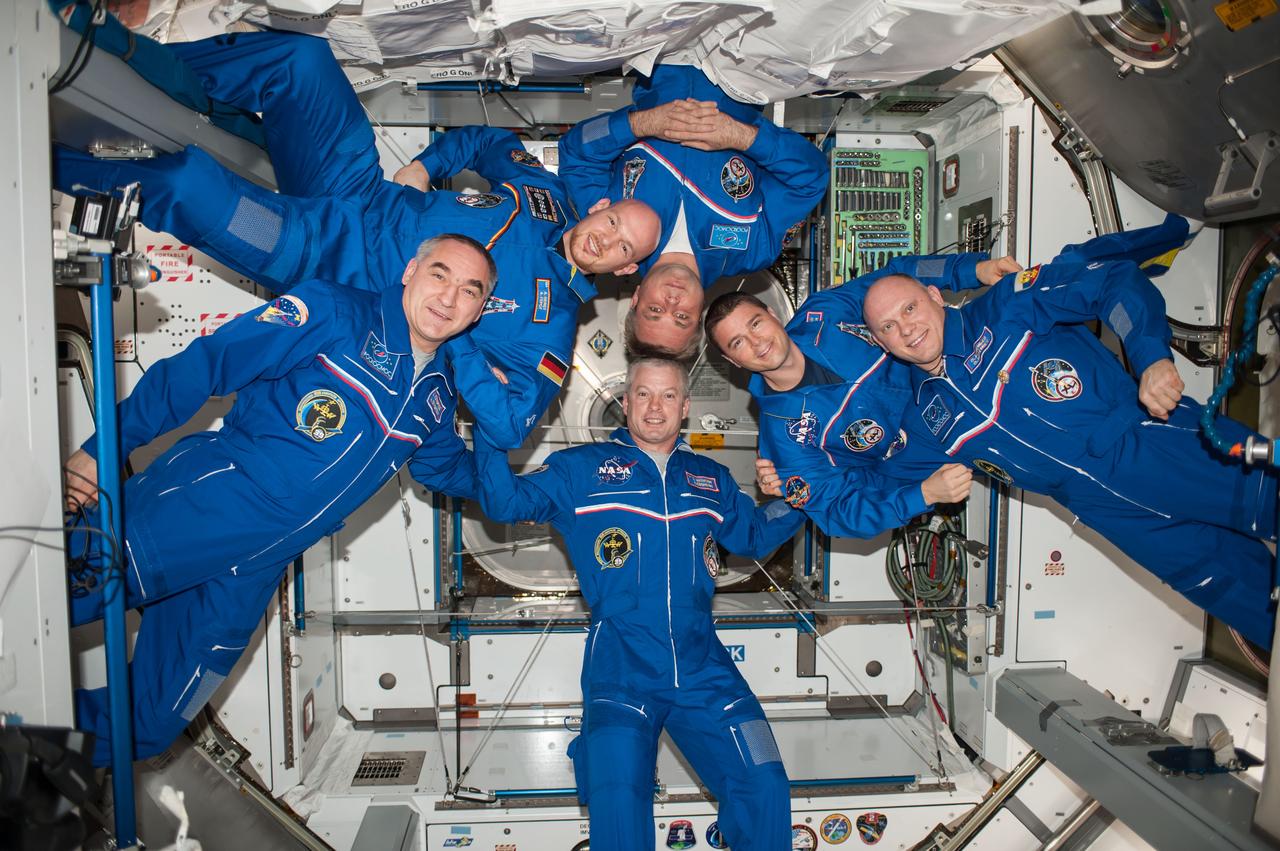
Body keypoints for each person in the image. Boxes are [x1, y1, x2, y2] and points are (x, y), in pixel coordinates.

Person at [51, 28, 662, 448]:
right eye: (613, 224)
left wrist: (459, 335)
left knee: (186, 185)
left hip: (324, 260)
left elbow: (509, 428)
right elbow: (488, 142)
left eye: (624, 249)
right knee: (303, 63)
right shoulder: (546, 195)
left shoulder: (550, 329)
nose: (607, 242)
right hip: (358, 188)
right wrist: (427, 165)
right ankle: (118, 56)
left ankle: (44, 161)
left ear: (626, 272)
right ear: (602, 207)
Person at [62, 235, 493, 765]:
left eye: (469, 291)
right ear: (410, 271)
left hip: (254, 572)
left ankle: (23, 751)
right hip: (201, 508)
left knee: (148, 725)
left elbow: (452, 470)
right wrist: (105, 449)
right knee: (45, 600)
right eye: (440, 274)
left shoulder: (436, 397)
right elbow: (207, 365)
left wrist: (535, 482)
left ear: (478, 312)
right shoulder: (334, 312)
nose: (449, 298)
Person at [860, 236, 1278, 648]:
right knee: (1244, 599)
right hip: (1111, 515)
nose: (907, 329)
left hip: (1154, 444)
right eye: (889, 327)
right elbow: (872, 488)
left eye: (910, 308)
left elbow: (1112, 280)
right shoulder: (923, 418)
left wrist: (1152, 357)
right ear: (881, 344)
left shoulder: (1007, 305)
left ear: (935, 295)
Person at [472, 358, 801, 850]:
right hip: (620, 668)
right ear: (624, 404)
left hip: (704, 666)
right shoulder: (580, 470)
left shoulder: (710, 478)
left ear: (685, 406)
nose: (655, 406)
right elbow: (504, 504)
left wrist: (798, 497)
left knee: (767, 783)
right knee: (619, 809)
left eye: (668, 395)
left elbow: (752, 534)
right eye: (643, 394)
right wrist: (490, 426)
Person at [706, 253, 1021, 536]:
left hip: (978, 379)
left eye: (756, 324)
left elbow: (895, 277)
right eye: (738, 342)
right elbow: (837, 511)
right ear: (733, 361)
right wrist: (923, 494)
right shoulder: (784, 441)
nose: (756, 342)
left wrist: (974, 269)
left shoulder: (826, 313)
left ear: (773, 315)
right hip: (953, 452)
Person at [560, 64, 829, 360]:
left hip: (664, 56)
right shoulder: (752, 250)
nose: (672, 302)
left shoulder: (611, 230)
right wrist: (742, 137)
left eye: (655, 311)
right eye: (681, 318)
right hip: (742, 66)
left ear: (636, 299)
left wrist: (641, 124)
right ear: (699, 312)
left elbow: (575, 152)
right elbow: (810, 179)